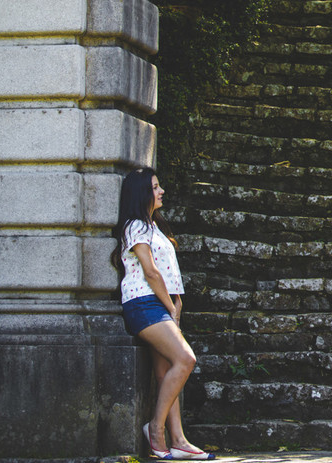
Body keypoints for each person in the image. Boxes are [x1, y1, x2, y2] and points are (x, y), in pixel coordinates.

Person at [111, 168, 216, 461]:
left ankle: (179, 440)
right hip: (144, 304)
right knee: (185, 359)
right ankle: (155, 430)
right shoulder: (134, 227)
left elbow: (169, 272)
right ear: (142, 193)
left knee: (164, 372)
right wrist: (170, 306)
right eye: (156, 187)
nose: (161, 192)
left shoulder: (153, 226)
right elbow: (151, 272)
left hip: (160, 304)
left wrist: (177, 300)